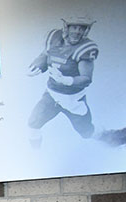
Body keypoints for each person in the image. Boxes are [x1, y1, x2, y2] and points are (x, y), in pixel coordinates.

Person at [27, 15, 99, 147]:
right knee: (33, 122)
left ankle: (109, 143)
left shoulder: (86, 49)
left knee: (86, 132)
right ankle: (35, 154)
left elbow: (86, 78)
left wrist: (67, 80)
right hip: (52, 94)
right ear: (66, 27)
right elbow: (45, 54)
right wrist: (37, 65)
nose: (77, 31)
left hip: (73, 99)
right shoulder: (54, 37)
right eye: (75, 27)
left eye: (81, 29)